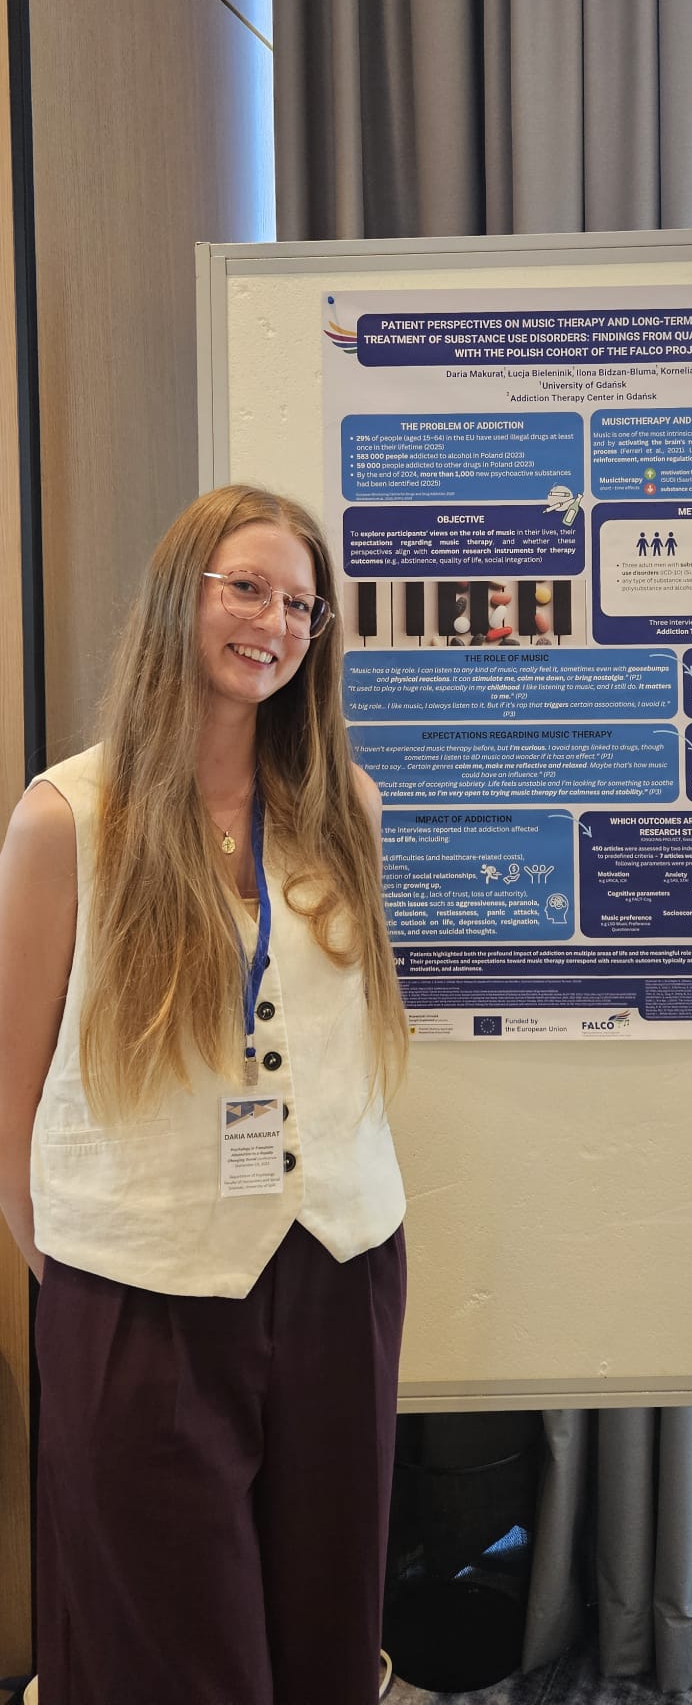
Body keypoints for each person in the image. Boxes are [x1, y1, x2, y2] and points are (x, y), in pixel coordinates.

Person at [0, 484, 409, 1705]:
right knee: (168, 1641)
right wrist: (67, 1262)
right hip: (140, 1283)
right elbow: (9, 1083)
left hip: (340, 1260)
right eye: (247, 587)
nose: (273, 622)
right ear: (182, 592)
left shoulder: (346, 808)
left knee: (327, 1622)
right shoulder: (68, 816)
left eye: (300, 604)